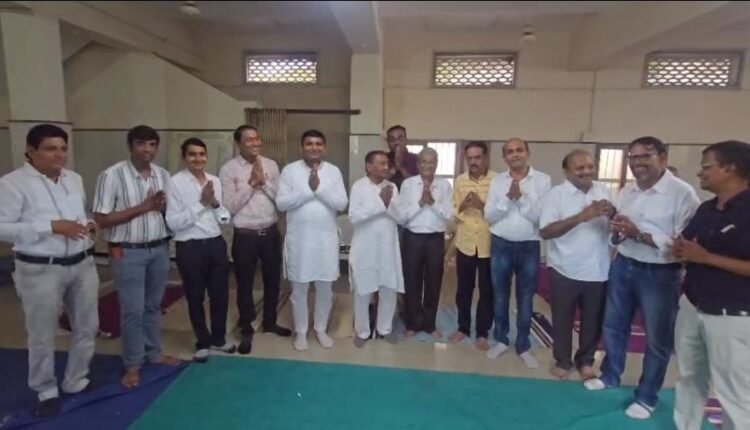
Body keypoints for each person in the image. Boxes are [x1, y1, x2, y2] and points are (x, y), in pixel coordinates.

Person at [584, 136, 700, 420]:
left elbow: (682, 245)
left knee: (657, 339)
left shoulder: (683, 194)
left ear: (662, 157)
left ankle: (647, 397)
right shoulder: (628, 191)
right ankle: (610, 375)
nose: (637, 163)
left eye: (644, 156)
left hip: (660, 274)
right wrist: (618, 229)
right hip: (624, 265)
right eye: (633, 158)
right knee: (614, 326)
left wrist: (638, 234)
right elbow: (620, 230)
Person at [0, 124, 99, 417]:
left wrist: (89, 224)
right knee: (42, 333)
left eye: (63, 148)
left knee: (87, 326)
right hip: (41, 268)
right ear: (31, 152)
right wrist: (51, 227)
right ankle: (45, 389)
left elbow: (80, 215)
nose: (59, 155)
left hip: (82, 263)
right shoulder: (12, 184)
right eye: (50, 149)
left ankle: (76, 379)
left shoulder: (73, 179)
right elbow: (2, 228)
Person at [92, 125, 180, 389]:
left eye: (152, 144)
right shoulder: (112, 175)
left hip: (159, 248)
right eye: (141, 144)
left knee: (153, 305)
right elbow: (101, 219)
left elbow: (168, 212)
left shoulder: (162, 175)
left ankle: (154, 353)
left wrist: (162, 209)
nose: (147, 150)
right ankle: (133, 364)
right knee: (132, 310)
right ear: (130, 146)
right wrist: (144, 207)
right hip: (127, 250)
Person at [673, 140, 750, 430]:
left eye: (707, 167)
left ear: (731, 169)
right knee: (690, 378)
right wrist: (680, 249)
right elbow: (689, 243)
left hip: (732, 315)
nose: (700, 173)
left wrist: (706, 258)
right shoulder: (706, 208)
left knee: (735, 392)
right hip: (693, 305)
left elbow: (703, 255)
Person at [539, 150, 614, 380]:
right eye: (580, 168)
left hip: (598, 269)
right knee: (563, 320)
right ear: (567, 171)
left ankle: (586, 361)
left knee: (593, 321)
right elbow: (546, 231)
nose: (586, 171)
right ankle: (563, 360)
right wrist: (582, 216)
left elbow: (614, 223)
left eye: (590, 166)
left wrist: (613, 213)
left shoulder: (603, 191)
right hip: (564, 268)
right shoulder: (556, 195)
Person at [219, 125, 291, 356]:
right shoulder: (228, 169)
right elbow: (228, 207)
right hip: (245, 235)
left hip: (270, 232)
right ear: (238, 143)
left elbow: (281, 201)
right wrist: (251, 185)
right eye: (249, 140)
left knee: (273, 281)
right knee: (245, 284)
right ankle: (246, 327)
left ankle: (269, 321)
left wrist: (264, 182)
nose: (255, 143)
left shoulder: (271, 165)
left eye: (257, 138)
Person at [276, 130, 348, 351]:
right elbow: (281, 203)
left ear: (324, 148)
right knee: (299, 289)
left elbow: (341, 203)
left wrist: (320, 189)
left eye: (318, 144)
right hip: (300, 240)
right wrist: (310, 190)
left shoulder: (333, 171)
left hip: (325, 240)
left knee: (325, 288)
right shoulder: (290, 170)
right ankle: (301, 332)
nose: (314, 147)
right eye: (309, 144)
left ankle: (320, 329)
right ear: (302, 147)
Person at [166, 138, 235, 363]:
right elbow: (173, 222)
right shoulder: (175, 183)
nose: (198, 159)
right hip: (190, 246)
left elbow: (224, 218)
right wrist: (201, 204)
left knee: (220, 295)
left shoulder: (214, 180)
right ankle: (202, 342)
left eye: (201, 154)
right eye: (192, 154)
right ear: (184, 157)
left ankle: (219, 339)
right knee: (195, 297)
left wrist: (214, 203)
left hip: (215, 243)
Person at [484, 137, 551, 369]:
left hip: (529, 246)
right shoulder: (498, 181)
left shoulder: (542, 180)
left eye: (519, 150)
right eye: (510, 152)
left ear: (527, 152)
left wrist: (520, 199)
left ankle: (523, 345)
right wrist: (506, 200)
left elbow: (541, 217)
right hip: (501, 244)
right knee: (500, 295)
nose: (515, 155)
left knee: (525, 297)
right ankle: (501, 340)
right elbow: (489, 216)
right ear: (504, 157)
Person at [391, 147, 453, 339]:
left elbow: (449, 215)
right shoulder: (408, 184)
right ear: (418, 164)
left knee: (434, 281)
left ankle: (429, 324)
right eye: (424, 162)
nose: (428, 165)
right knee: (412, 281)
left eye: (431, 161)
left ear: (436, 163)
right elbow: (401, 216)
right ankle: (413, 323)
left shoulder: (444, 185)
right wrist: (420, 203)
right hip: (413, 237)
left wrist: (432, 202)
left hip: (435, 238)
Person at [348, 150, 404, 347]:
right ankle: (362, 331)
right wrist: (381, 203)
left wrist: (388, 205)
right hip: (365, 247)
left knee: (388, 287)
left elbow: (400, 216)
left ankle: (384, 329)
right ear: (368, 166)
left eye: (387, 163)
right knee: (363, 289)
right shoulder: (359, 186)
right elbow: (355, 217)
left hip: (387, 246)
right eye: (381, 163)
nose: (386, 167)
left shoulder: (392, 187)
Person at [448, 141, 496, 351]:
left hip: (488, 244)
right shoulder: (459, 181)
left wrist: (481, 205)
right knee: (463, 289)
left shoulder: (497, 181)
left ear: (485, 158)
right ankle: (463, 327)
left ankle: (483, 333)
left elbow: (500, 213)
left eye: (477, 157)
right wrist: (463, 205)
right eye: (470, 158)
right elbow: (453, 211)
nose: (473, 162)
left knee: (487, 291)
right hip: (465, 242)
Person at [385, 125, 419, 189]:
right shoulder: (382, 159)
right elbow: (377, 183)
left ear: (406, 140)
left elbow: (418, 185)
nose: (396, 142)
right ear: (388, 142)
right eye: (392, 139)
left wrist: (401, 168)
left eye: (400, 139)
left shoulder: (417, 159)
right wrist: (395, 168)